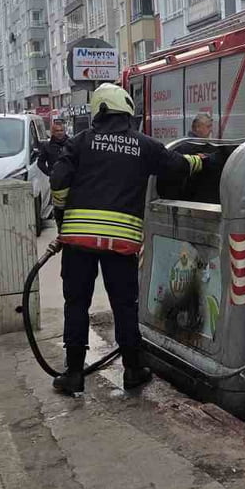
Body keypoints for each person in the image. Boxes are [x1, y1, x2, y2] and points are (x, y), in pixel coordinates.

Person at [50, 83, 208, 395]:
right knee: (124, 305)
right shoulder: (143, 145)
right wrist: (203, 160)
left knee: (76, 303)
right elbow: (177, 166)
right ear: (126, 111)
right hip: (120, 243)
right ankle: (133, 370)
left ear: (98, 111)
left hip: (78, 241)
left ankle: (74, 374)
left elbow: (58, 181)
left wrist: (62, 216)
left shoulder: (80, 142)